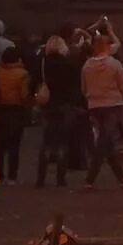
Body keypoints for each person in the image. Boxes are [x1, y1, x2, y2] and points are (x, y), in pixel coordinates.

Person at [81, 30, 123, 190]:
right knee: (103, 143)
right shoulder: (114, 64)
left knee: (107, 142)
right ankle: (89, 179)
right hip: (112, 105)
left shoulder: (86, 66)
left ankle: (122, 178)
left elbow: (83, 88)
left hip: (94, 106)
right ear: (107, 47)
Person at [36, 35, 83, 186]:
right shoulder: (70, 63)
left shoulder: (43, 62)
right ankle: (60, 178)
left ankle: (41, 178)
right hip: (65, 105)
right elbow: (76, 86)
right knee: (62, 142)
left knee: (47, 141)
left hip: (47, 104)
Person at [0, 45, 31, 184]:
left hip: (0, 109)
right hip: (16, 110)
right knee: (14, 145)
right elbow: (24, 94)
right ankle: (12, 176)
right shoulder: (22, 74)